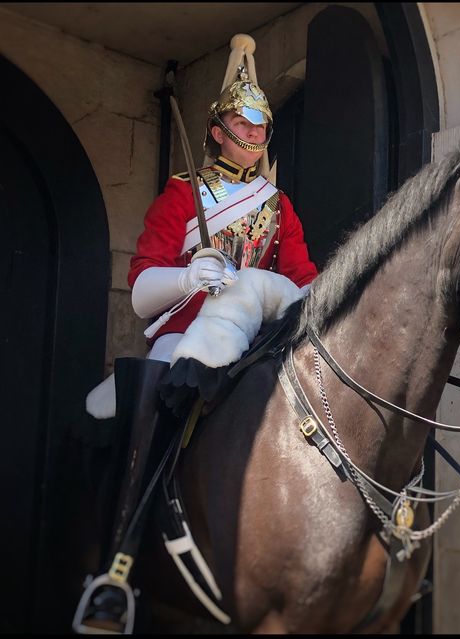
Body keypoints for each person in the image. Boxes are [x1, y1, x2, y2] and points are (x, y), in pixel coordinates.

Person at [75, 33, 317, 633]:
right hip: (184, 334)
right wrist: (189, 273)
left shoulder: (279, 205)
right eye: (244, 124)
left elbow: (302, 275)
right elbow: (139, 286)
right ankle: (116, 570)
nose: (255, 136)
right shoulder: (183, 194)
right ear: (217, 129)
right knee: (151, 411)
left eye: (262, 127)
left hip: (256, 337)